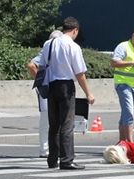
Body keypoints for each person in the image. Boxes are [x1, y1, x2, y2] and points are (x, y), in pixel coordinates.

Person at [39, 16, 95, 170]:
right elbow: (79, 73)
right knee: (67, 124)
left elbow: (42, 66)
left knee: (54, 124)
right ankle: (66, 160)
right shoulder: (73, 46)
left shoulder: (48, 44)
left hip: (51, 86)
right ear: (75, 30)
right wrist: (88, 93)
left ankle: (52, 160)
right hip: (66, 86)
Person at [27, 30, 62, 158]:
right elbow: (31, 65)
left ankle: (46, 149)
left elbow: (31, 66)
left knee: (46, 118)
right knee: (48, 118)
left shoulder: (47, 51)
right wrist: (40, 81)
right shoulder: (48, 50)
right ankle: (46, 149)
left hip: (47, 86)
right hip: (49, 87)